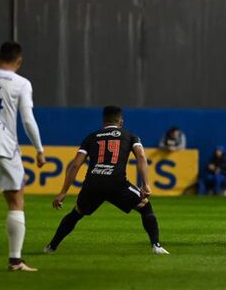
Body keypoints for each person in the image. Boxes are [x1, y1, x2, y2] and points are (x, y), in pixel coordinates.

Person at [44, 105, 169, 255]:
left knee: (76, 213)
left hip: (92, 184)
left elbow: (75, 164)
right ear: (120, 122)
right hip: (117, 184)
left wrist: (63, 192)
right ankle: (156, 245)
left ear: (103, 121)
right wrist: (146, 184)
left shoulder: (91, 137)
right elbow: (141, 156)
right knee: (145, 207)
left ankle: (51, 247)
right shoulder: (130, 136)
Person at [0, 41, 46, 272]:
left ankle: (16, 261)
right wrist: (39, 149)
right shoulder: (21, 83)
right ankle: (15, 261)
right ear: (19, 61)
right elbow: (27, 120)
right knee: (15, 201)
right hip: (4, 146)